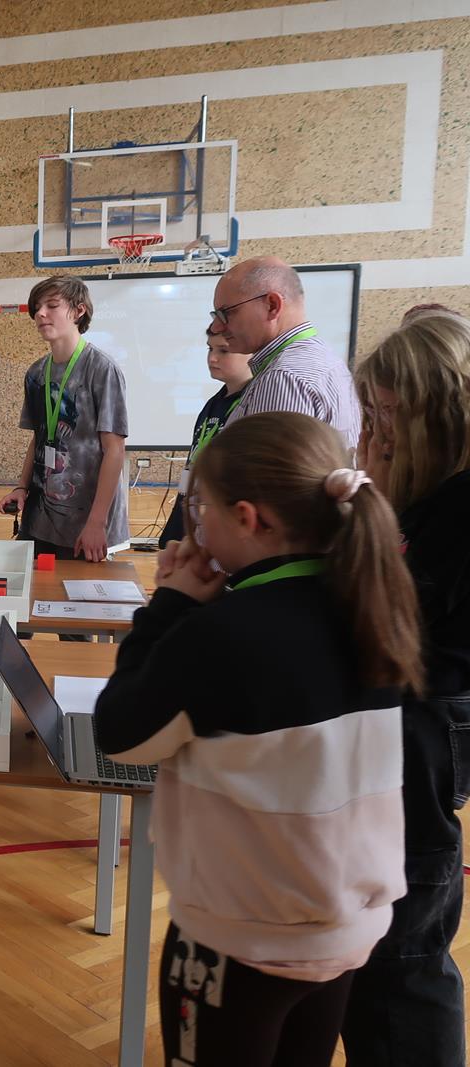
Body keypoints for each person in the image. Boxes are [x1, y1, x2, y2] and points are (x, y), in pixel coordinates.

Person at [93, 412, 419, 1067]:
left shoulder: (219, 635)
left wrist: (170, 605)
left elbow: (120, 735)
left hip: (240, 942)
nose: (194, 526)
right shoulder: (375, 603)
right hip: (346, 928)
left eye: (201, 510)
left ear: (247, 518)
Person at [341, 312, 470, 1066]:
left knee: (405, 957)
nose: (375, 433)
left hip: (419, 745)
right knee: (384, 955)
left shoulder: (459, 508)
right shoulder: (429, 498)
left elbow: (391, 623)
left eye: (387, 415)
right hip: (400, 738)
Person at [0, 275, 129, 563]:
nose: (40, 314)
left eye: (52, 306)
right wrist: (21, 487)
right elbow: (39, 438)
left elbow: (114, 450)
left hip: (86, 524)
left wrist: (97, 523)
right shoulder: (36, 374)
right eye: (37, 308)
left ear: (79, 311)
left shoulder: (101, 369)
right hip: (39, 519)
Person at [208, 255, 360, 447]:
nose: (216, 327)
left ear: (272, 305)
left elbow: (269, 466)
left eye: (226, 313)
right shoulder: (323, 359)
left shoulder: (284, 377)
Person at [159, 334, 254, 546]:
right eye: (210, 349)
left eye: (223, 351)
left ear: (252, 354)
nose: (212, 358)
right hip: (191, 506)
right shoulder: (214, 402)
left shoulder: (250, 405)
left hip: (216, 515)